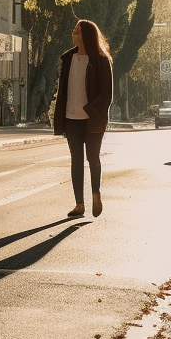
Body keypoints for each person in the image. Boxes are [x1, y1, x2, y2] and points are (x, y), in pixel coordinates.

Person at [53, 18, 113, 218]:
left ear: (87, 36)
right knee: (76, 160)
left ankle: (96, 193)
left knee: (93, 158)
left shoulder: (101, 61)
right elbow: (63, 91)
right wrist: (60, 115)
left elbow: (107, 95)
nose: (73, 34)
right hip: (71, 118)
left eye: (77, 32)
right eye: (74, 30)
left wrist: (91, 109)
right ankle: (79, 204)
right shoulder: (68, 59)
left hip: (93, 119)